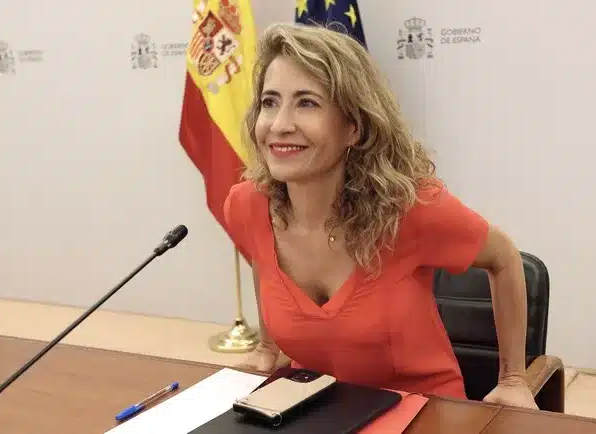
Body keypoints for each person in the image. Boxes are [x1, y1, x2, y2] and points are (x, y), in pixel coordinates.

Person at [224, 23, 537, 409]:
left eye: (307, 103)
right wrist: (267, 347)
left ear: (353, 127)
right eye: (270, 102)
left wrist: (513, 378)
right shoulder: (246, 205)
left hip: (423, 409)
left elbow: (503, 257)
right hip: (317, 406)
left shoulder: (411, 208)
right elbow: (264, 262)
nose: (279, 124)